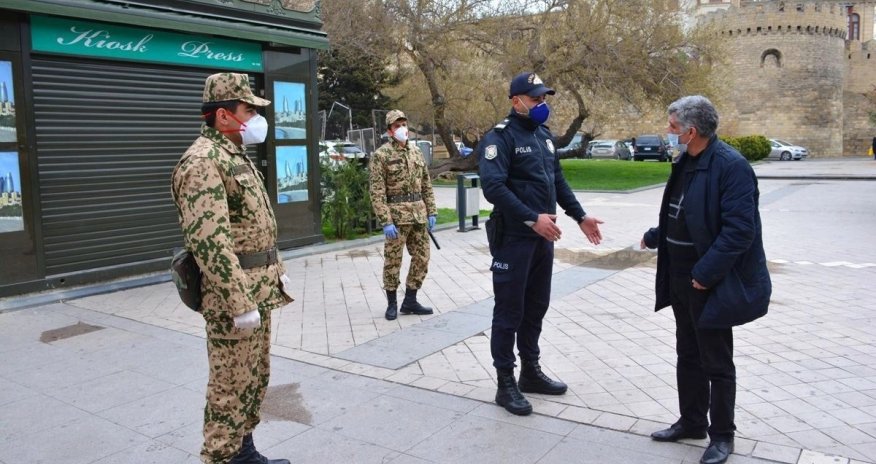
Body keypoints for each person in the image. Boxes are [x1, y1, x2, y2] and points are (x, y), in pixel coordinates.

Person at [641, 95, 771, 464]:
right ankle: (692, 421)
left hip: (707, 282)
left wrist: (705, 274)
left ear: (692, 131)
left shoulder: (731, 167)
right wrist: (656, 235)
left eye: (672, 127)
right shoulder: (686, 160)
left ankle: (722, 436)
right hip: (680, 277)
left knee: (716, 361)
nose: (668, 132)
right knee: (688, 353)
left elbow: (739, 231)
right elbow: (683, 211)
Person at [171, 72, 293, 464]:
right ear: (223, 115)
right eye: (248, 110)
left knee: (253, 378)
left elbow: (256, 226)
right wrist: (240, 302)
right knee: (229, 387)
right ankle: (221, 457)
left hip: (259, 288)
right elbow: (211, 243)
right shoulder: (203, 162)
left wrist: (277, 269)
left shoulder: (233, 154)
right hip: (233, 299)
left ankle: (244, 453)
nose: (256, 118)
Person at [478, 72, 604, 416]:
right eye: (535, 99)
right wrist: (532, 218)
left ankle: (530, 371)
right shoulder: (499, 138)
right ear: (516, 101)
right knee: (509, 311)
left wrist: (580, 216)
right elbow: (493, 187)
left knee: (536, 307)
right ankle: (505, 382)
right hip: (513, 239)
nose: (541, 104)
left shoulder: (544, 136)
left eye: (544, 99)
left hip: (542, 240)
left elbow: (557, 181)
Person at [369, 110, 437, 321]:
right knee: (393, 261)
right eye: (397, 126)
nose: (402, 129)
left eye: (404, 124)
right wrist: (385, 221)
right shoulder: (381, 155)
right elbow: (377, 192)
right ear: (390, 130)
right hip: (396, 218)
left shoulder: (416, 152)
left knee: (422, 258)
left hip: (418, 216)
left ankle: (410, 300)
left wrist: (432, 210)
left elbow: (426, 184)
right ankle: (392, 303)